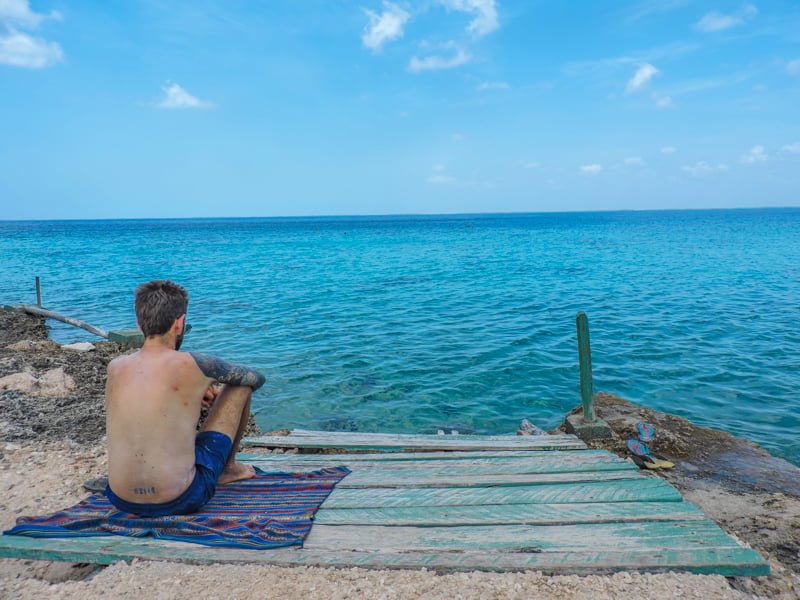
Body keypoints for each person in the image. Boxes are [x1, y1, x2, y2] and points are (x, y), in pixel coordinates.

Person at [104, 280, 266, 517]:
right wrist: (208, 382)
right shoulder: (196, 364)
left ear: (140, 326)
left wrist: (197, 389)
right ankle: (228, 469)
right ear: (179, 323)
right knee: (240, 388)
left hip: (122, 500)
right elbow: (255, 378)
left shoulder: (115, 367)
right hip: (180, 499)